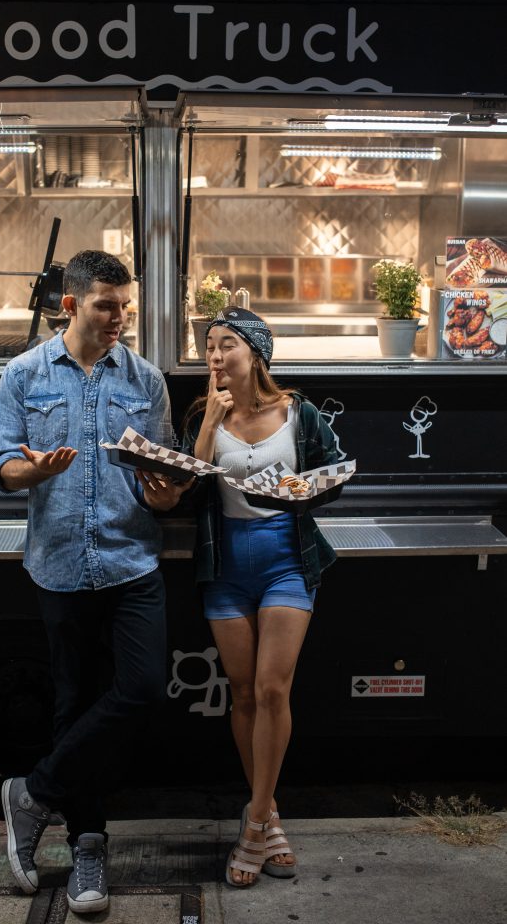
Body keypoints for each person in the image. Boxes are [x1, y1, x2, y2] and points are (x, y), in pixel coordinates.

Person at [0, 249, 186, 914]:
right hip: (60, 562)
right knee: (73, 705)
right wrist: (35, 470)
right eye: (105, 305)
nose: (118, 317)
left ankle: (32, 793)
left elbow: (159, 478)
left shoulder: (146, 379)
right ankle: (88, 846)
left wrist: (165, 494)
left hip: (132, 560)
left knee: (142, 688)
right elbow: (2, 467)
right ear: (70, 305)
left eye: (124, 305)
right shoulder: (23, 374)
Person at [181, 307, 342, 889]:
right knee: (244, 693)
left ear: (256, 353)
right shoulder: (204, 414)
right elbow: (187, 488)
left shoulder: (298, 413)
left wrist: (302, 490)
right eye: (209, 346)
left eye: (227, 344)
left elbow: (332, 473)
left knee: (273, 689)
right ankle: (269, 815)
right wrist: (207, 424)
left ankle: (252, 828)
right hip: (225, 564)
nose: (216, 356)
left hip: (285, 561)